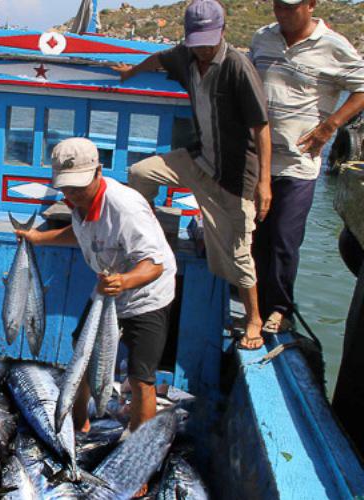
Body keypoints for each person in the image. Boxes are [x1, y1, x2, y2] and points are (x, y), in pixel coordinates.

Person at [111, 0, 272, 349]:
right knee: (140, 172)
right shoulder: (185, 56)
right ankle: (147, 235)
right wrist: (130, 72)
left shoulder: (238, 68)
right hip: (199, 160)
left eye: (209, 42)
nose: (203, 50)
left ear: (223, 31)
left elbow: (261, 127)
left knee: (239, 254)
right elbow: (159, 58)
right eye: (197, 43)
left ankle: (254, 319)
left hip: (233, 179)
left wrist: (264, 183)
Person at [16, 138, 176, 435]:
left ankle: (139, 453)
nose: (72, 194)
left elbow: (154, 265)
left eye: (78, 186)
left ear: (98, 172)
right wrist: (37, 238)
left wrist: (124, 281)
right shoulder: (78, 202)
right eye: (66, 187)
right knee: (82, 357)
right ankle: (79, 428)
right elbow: (81, 233)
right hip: (107, 290)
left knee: (141, 378)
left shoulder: (125, 208)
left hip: (146, 295)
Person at [250, 0, 364, 334]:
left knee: (284, 239)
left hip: (298, 162)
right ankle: (254, 307)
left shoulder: (333, 46)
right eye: (277, 5)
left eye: (290, 6)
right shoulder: (262, 37)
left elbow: (362, 87)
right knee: (255, 238)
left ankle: (280, 309)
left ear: (311, 4)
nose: (282, 12)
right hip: (257, 159)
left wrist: (330, 126)